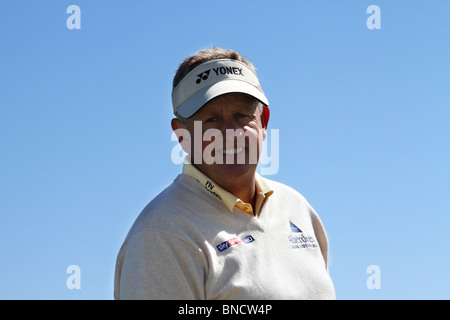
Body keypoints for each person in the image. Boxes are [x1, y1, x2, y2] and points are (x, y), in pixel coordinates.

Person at [114, 47, 336, 300]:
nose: (230, 132)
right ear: (181, 134)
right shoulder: (162, 233)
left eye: (241, 115)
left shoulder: (297, 208)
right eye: (212, 119)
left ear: (263, 121)